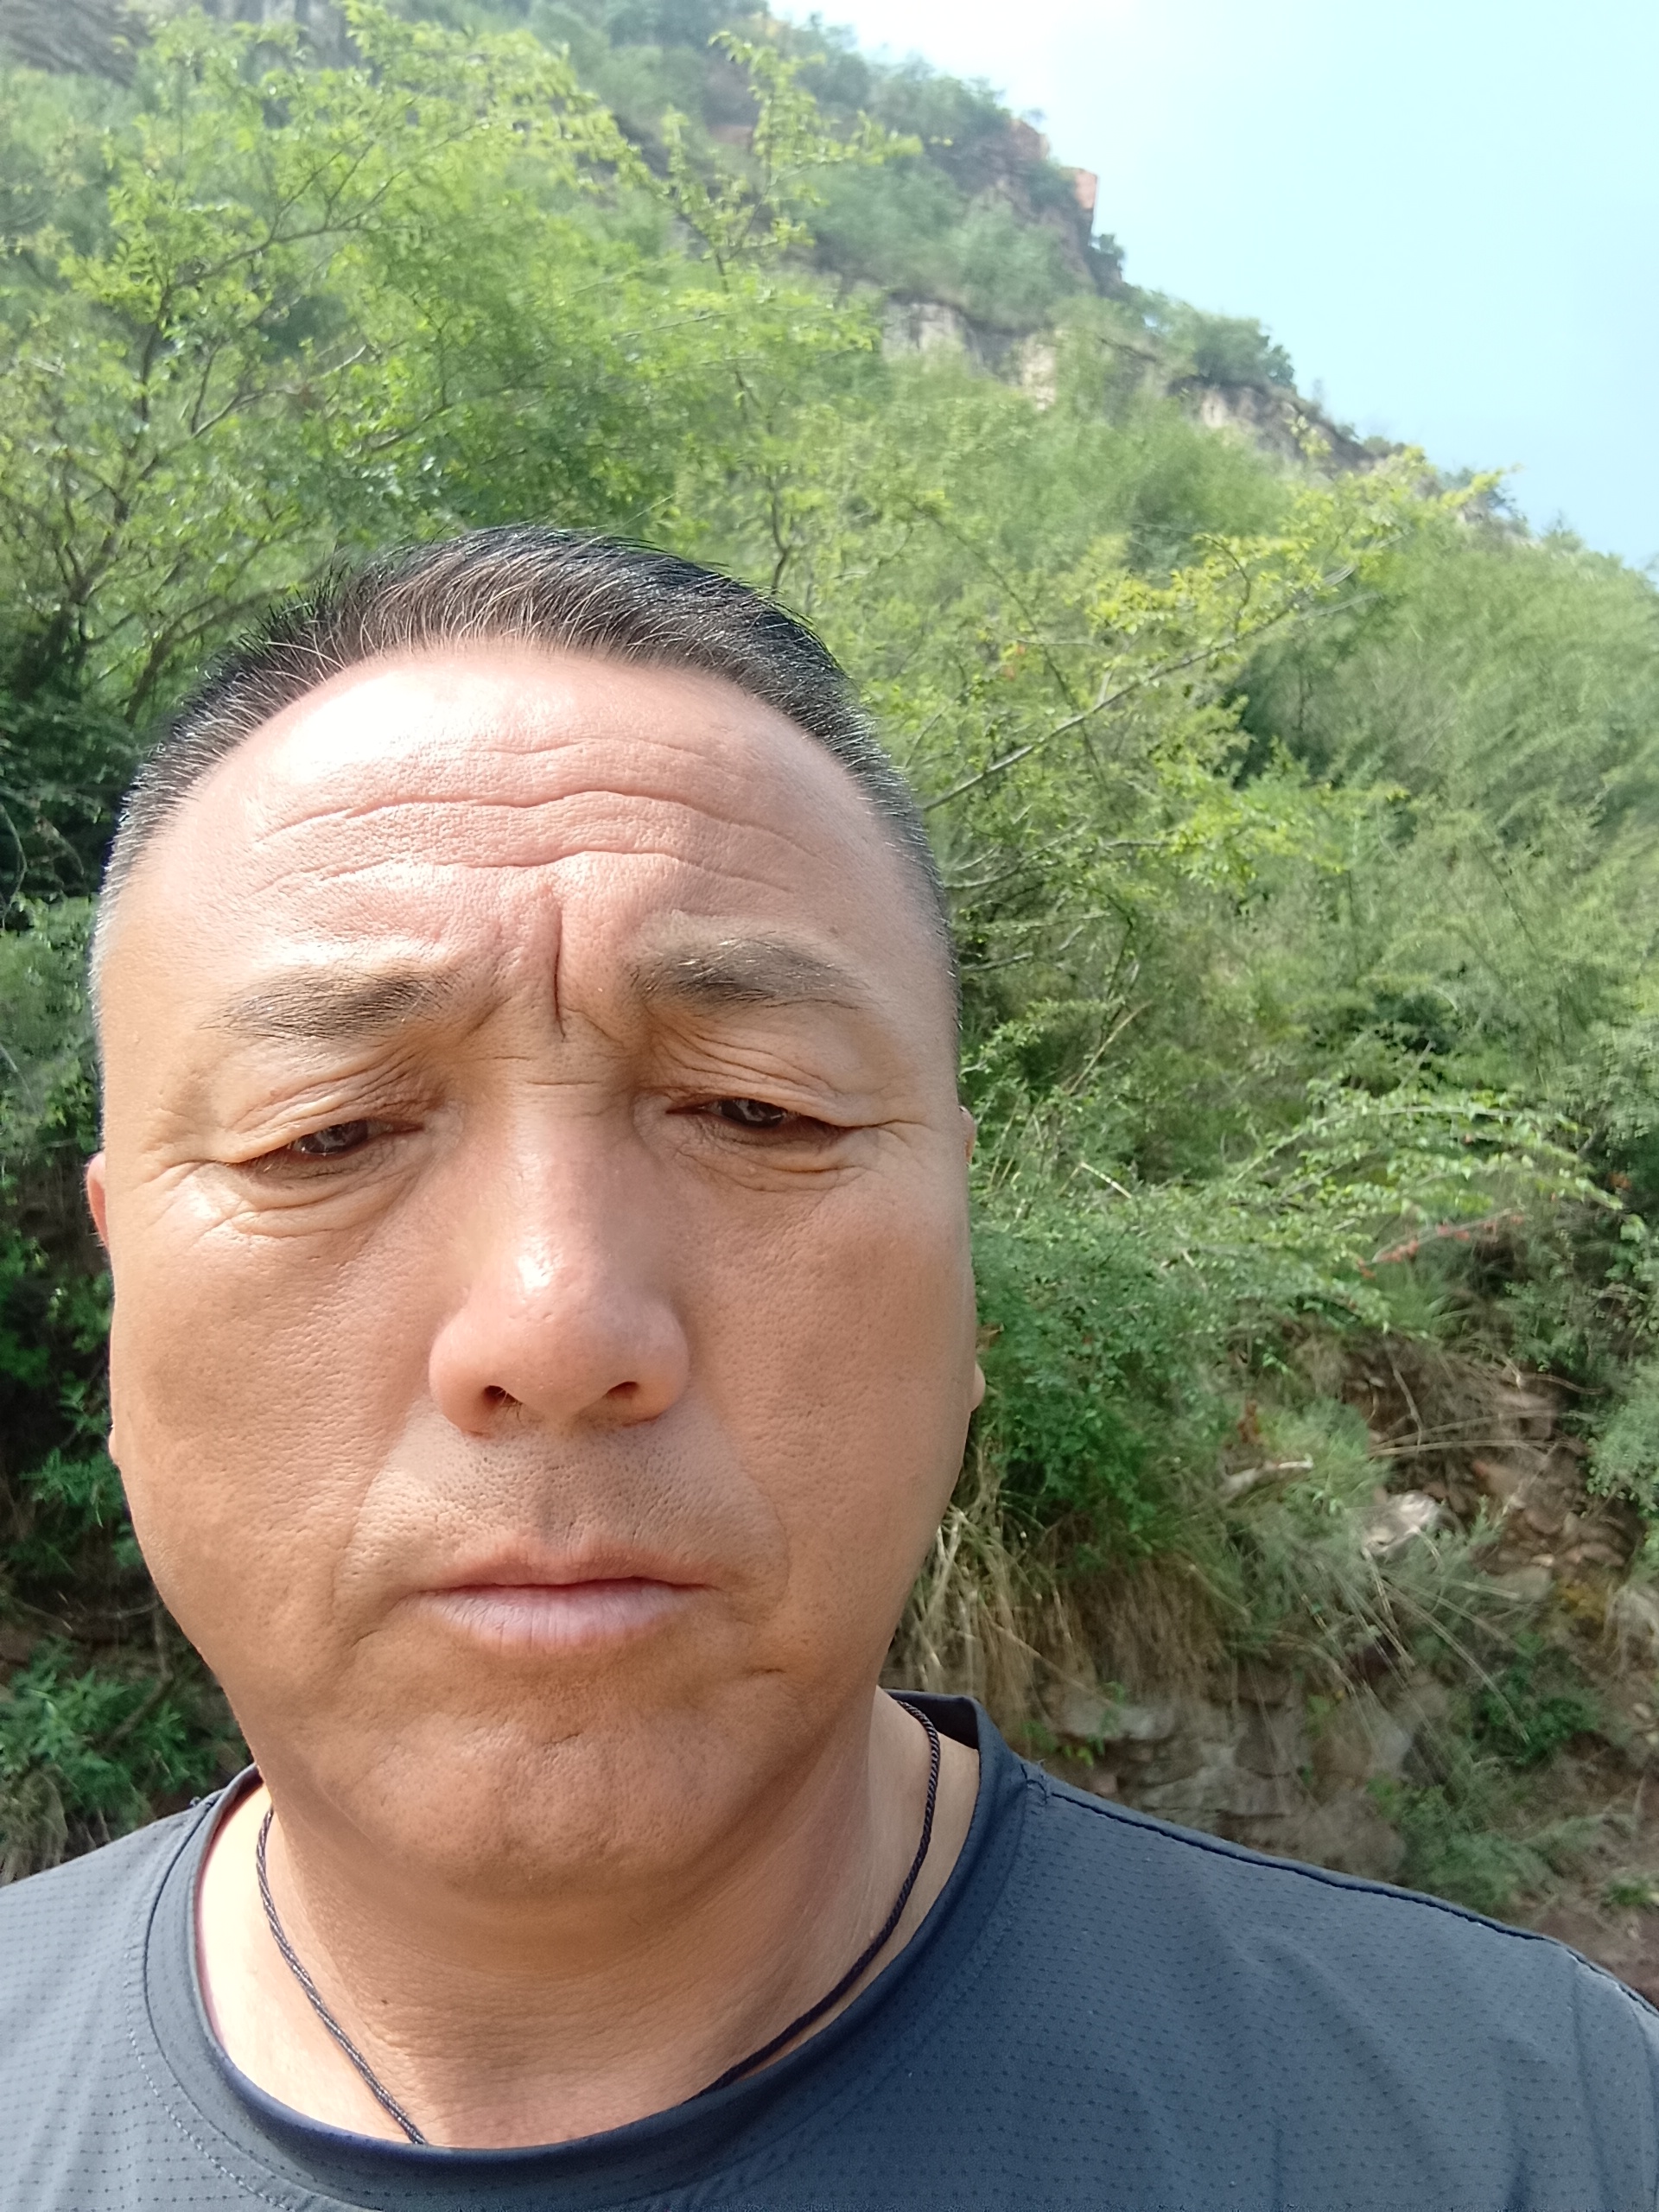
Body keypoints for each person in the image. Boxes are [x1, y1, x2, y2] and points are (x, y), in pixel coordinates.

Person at [2, 527, 1656, 2212]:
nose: (557, 1326)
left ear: (966, 1286)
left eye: (759, 1109)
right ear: (123, 1293)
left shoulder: (1526, 2133)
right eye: (327, 1132)